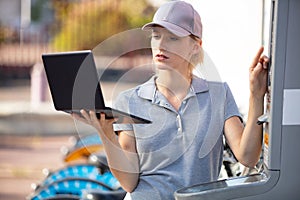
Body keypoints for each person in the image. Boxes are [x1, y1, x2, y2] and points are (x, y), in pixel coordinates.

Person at [72, 1, 269, 199]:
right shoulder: (130, 100)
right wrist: (106, 133)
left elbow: (248, 157)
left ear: (195, 46)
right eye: (156, 36)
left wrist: (256, 95)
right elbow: (129, 182)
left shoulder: (219, 94)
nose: (161, 45)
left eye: (172, 38)